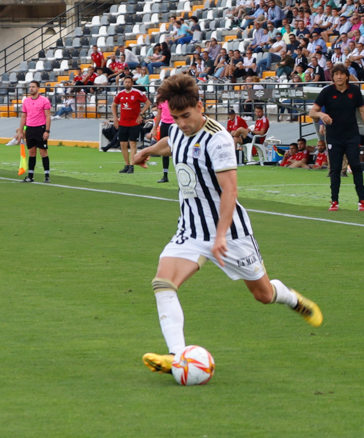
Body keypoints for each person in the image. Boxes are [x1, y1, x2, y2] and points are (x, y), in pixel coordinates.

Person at [130, 74, 323, 377]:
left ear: (200, 107)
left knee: (262, 294)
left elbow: (230, 191)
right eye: (177, 117)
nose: (182, 123)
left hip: (229, 232)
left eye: (187, 116)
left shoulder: (218, 138)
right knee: (162, 283)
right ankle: (177, 355)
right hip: (190, 229)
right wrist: (149, 150)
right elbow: (173, 142)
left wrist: (220, 236)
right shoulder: (176, 130)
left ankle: (289, 296)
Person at [309, 64, 364, 212]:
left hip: (351, 135)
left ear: (346, 76)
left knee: (356, 166)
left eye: (341, 74)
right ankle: (334, 201)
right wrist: (321, 115)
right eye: (336, 74)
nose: (338, 77)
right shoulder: (327, 92)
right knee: (335, 169)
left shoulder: (355, 91)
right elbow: (312, 111)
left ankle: (362, 201)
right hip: (334, 136)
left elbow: (363, 111)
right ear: (333, 77)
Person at [15, 80, 52, 183]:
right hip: (30, 128)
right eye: (30, 87)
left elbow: (48, 116)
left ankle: (47, 176)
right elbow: (23, 116)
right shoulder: (26, 101)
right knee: (31, 152)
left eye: (33, 87)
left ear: (38, 88)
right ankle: (30, 176)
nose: (31, 88)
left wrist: (47, 131)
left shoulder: (44, 100)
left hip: (40, 128)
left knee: (43, 152)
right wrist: (21, 131)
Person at [112, 76, 149, 174]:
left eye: (129, 82)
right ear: (123, 83)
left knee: (132, 143)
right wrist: (115, 118)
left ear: (132, 83)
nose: (127, 83)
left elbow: (148, 103)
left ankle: (132, 165)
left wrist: (141, 114)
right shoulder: (120, 94)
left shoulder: (137, 93)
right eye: (125, 82)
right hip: (123, 122)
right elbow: (114, 105)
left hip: (134, 122)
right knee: (123, 144)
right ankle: (126, 164)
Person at [152, 97, 174, 183]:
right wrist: (154, 128)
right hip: (164, 125)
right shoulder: (161, 100)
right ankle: (165, 175)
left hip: (174, 125)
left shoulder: (175, 98)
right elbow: (159, 114)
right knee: (164, 150)